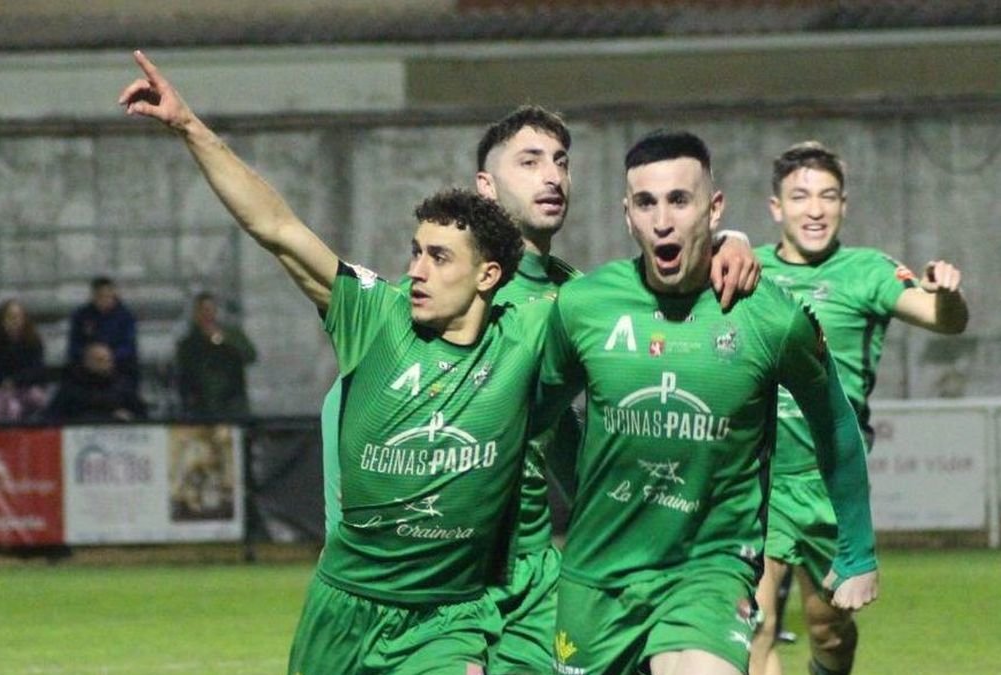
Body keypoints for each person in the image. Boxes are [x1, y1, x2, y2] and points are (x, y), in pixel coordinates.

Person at [120, 51, 551, 674]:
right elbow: (278, 228)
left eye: (438, 258)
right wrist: (190, 127)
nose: (417, 270)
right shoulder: (376, 316)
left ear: (487, 275)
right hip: (343, 607)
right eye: (415, 252)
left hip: (447, 617)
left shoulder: (527, 338)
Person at [316, 106, 763, 673]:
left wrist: (727, 240)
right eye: (529, 163)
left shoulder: (579, 297)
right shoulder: (440, 293)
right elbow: (348, 400)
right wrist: (345, 534)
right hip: (439, 572)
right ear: (486, 186)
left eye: (561, 162)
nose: (552, 176)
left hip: (531, 576)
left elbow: (559, 429)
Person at [536, 130, 877, 675]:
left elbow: (834, 421)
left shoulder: (769, 316)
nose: (662, 220)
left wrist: (857, 549)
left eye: (679, 200)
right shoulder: (584, 306)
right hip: (597, 574)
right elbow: (539, 417)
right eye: (646, 203)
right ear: (627, 215)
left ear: (714, 208)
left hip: (710, 570)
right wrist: (583, 489)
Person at [750, 141, 967, 675]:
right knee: (754, 625)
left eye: (827, 196)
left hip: (829, 483)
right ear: (776, 207)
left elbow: (945, 321)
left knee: (828, 629)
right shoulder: (747, 269)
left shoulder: (868, 271)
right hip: (755, 478)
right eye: (800, 196)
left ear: (844, 205)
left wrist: (947, 294)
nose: (815, 209)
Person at [175, 291, 258, 418]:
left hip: (232, 404)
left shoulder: (232, 334)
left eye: (209, 309)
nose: (206, 314)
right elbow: (183, 374)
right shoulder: (188, 343)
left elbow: (250, 355)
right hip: (201, 408)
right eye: (202, 310)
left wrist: (224, 339)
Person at [0, 299, 49, 423]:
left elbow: (37, 369)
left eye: (18, 317)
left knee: (36, 400)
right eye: (10, 317)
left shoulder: (33, 341)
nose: (14, 321)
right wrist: (3, 382)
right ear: (2, 320)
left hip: (26, 388)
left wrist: (16, 381)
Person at [67, 276, 140, 388]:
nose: (105, 300)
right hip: (87, 365)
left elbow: (129, 346)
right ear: (93, 296)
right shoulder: (81, 315)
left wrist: (109, 355)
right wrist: (90, 354)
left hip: (117, 364)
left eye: (108, 296)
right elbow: (74, 345)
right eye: (100, 296)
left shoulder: (126, 316)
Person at [46, 341, 147, 422]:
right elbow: (52, 417)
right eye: (100, 360)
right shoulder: (71, 387)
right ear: (87, 361)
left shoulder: (123, 386)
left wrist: (130, 417)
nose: (105, 364)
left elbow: (142, 415)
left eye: (109, 360)